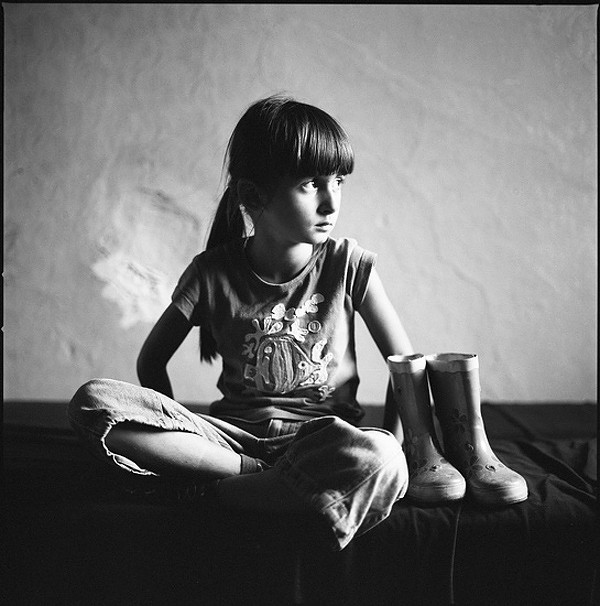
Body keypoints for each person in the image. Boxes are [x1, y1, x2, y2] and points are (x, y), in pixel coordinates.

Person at [68, 95, 414, 551]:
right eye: (311, 184)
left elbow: (406, 366)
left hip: (321, 441)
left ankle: (219, 492)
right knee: (92, 402)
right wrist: (181, 433)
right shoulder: (211, 273)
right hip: (229, 442)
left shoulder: (348, 264)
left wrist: (396, 440)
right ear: (253, 196)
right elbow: (151, 361)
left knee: (384, 458)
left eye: (338, 181)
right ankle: (259, 480)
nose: (331, 202)